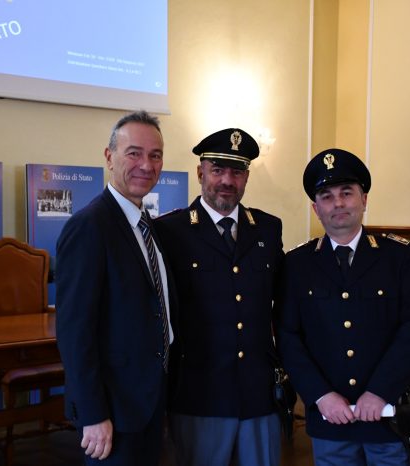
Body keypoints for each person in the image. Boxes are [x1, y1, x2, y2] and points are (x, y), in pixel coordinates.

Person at [277, 148, 410, 466]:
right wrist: (320, 396)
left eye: (347, 193)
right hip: (330, 418)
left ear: (364, 199)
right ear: (316, 208)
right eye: (327, 196)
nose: (339, 203)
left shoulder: (397, 256)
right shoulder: (296, 264)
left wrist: (380, 391)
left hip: (386, 416)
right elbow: (288, 336)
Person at [155, 128, 284, 466]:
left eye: (237, 171)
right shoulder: (170, 232)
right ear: (200, 173)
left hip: (258, 395)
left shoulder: (268, 229)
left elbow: (284, 307)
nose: (227, 180)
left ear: (246, 178)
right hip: (199, 395)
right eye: (217, 170)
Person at [55, 110, 176, 465]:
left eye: (155, 155)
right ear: (109, 157)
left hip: (149, 401)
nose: (146, 164)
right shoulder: (90, 226)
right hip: (112, 413)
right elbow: (75, 332)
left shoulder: (147, 225)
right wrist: (92, 413)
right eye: (134, 153)